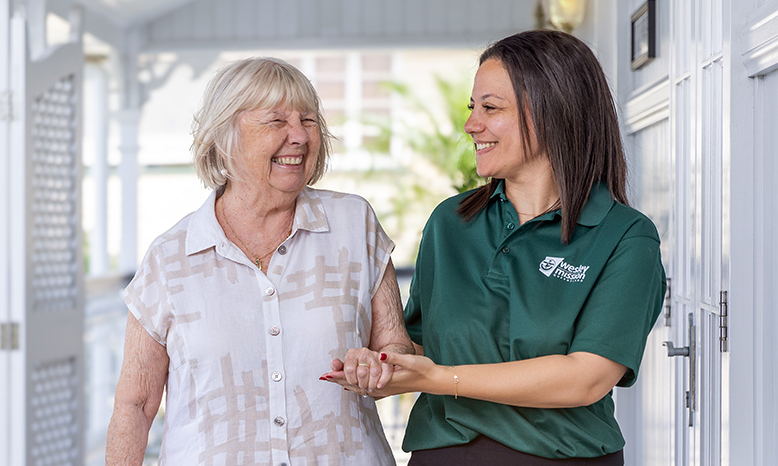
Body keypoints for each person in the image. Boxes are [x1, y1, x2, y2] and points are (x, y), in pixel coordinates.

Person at [324, 30, 667, 465]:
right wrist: (381, 364)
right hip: (444, 455)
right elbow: (423, 346)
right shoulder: (451, 223)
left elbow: (585, 379)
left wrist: (440, 379)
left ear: (553, 112)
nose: (471, 124)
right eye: (473, 108)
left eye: (490, 108)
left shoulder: (624, 237)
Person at [106, 57, 414, 466]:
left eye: (308, 120)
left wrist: (376, 364)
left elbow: (397, 349)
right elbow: (135, 405)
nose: (299, 136)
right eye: (276, 121)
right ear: (225, 136)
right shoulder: (170, 257)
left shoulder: (354, 224)